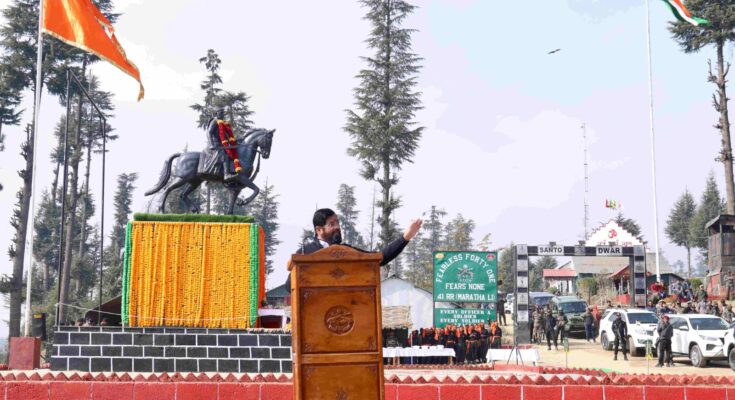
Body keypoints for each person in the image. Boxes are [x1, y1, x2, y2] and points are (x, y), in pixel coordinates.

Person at [285, 208, 422, 288]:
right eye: (332, 224)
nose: (337, 227)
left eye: (337, 222)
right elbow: (288, 286)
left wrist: (406, 237)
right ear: (319, 230)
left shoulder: (348, 252)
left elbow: (381, 258)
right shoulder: (306, 253)